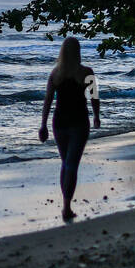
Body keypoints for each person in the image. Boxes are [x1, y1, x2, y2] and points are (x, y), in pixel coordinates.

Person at [39, 37, 100, 221]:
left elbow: (48, 101)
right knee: (71, 164)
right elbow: (94, 98)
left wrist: (43, 124)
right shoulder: (87, 72)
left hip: (59, 122)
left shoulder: (55, 74)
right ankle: (66, 207)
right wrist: (97, 115)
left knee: (66, 163)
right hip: (79, 122)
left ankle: (66, 205)